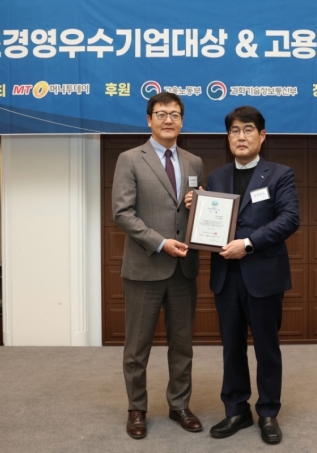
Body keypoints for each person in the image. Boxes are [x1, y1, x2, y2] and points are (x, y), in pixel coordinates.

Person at [197, 106, 299, 444]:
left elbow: (289, 219)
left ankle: (268, 411)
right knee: (232, 347)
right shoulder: (217, 176)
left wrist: (248, 243)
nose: (241, 137)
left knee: (267, 347)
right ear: (228, 137)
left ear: (262, 135)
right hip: (226, 276)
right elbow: (214, 220)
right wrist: (198, 208)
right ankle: (236, 410)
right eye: (234, 131)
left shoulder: (280, 174)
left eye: (248, 130)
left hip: (264, 275)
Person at [112, 92, 205, 439]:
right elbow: (122, 213)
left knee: (182, 345)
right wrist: (160, 242)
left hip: (184, 269)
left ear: (182, 121)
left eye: (175, 114)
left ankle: (179, 405)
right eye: (162, 113)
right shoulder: (129, 159)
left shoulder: (194, 162)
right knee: (137, 348)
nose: (169, 120)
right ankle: (136, 408)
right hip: (145, 266)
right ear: (149, 119)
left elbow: (197, 212)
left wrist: (200, 203)